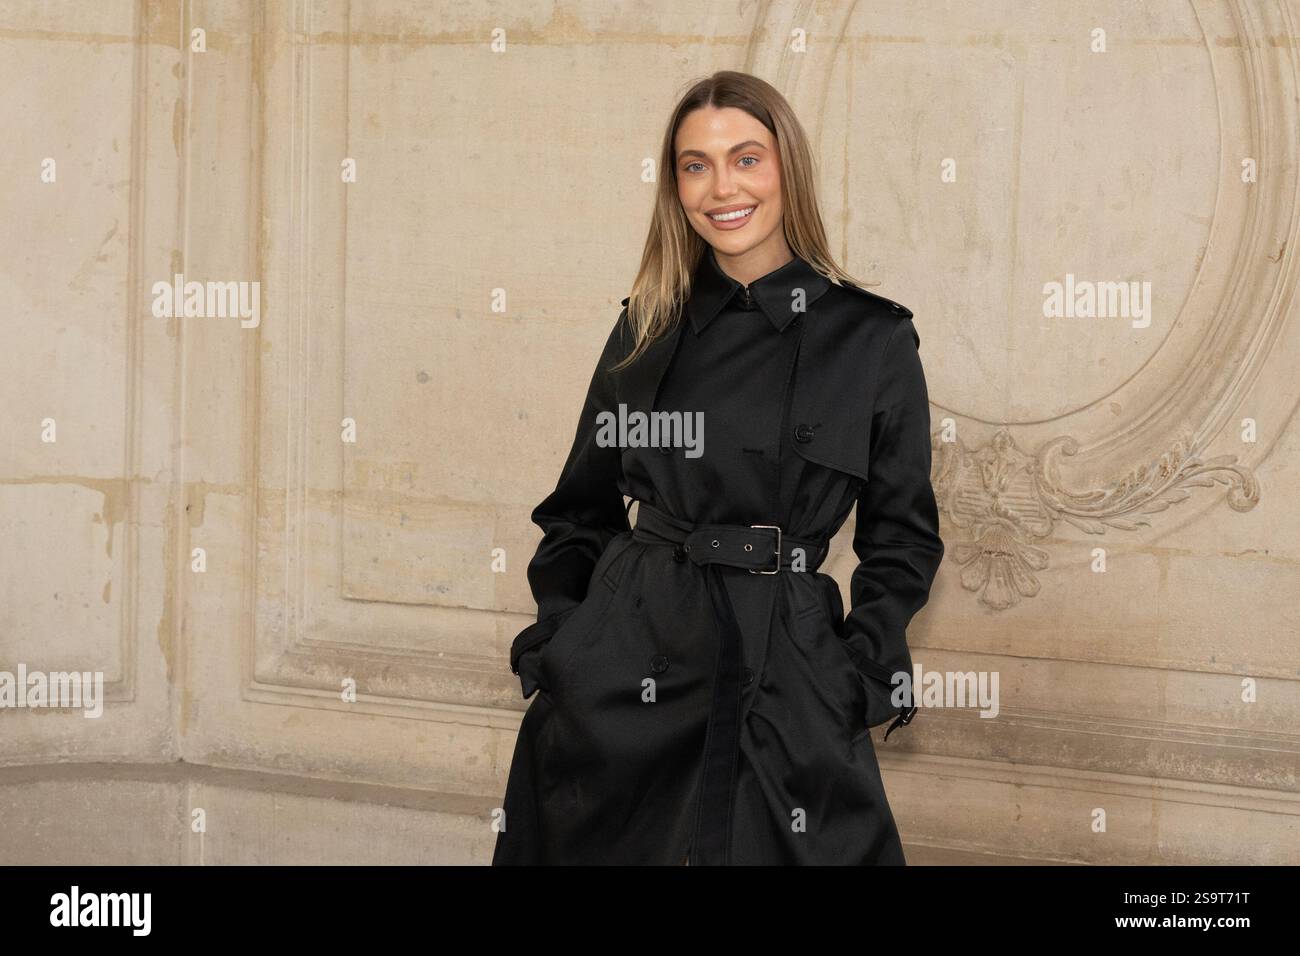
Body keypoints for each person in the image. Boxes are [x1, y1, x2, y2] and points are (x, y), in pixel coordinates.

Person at [493, 70, 944, 865]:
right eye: (694, 165)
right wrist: (565, 642)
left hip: (787, 669)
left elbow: (903, 539)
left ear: (786, 171)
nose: (720, 187)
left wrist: (856, 677)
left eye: (746, 159)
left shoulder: (872, 338)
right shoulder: (647, 323)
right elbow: (578, 508)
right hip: (627, 666)